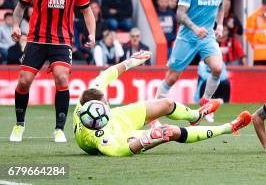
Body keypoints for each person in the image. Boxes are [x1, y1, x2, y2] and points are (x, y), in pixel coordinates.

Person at [74, 51, 251, 156]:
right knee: (170, 131)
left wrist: (133, 60)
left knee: (166, 103)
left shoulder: (90, 94)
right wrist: (147, 139)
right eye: (106, 103)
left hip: (119, 118)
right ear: (99, 113)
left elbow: (110, 73)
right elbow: (119, 151)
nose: (108, 102)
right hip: (119, 134)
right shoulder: (98, 136)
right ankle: (230, 127)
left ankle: (196, 115)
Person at [9, 0, 96, 143]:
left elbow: (87, 11)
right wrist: (15, 26)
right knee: (24, 82)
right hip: (36, 40)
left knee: (62, 78)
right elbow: (20, 7)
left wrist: (91, 33)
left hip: (62, 41)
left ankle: (59, 129)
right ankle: (19, 124)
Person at [155, 0, 227, 123]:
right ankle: (154, 113)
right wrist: (195, 28)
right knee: (172, 77)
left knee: (217, 68)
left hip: (207, 36)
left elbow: (221, 6)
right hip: (187, 36)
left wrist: (220, 25)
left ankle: (206, 103)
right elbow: (180, 13)